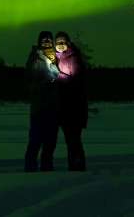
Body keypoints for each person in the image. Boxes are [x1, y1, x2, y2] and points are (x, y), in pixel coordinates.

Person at [24, 31, 59, 171]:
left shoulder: (57, 57)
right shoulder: (35, 57)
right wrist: (42, 84)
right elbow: (29, 78)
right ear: (39, 42)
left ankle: (47, 166)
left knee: (50, 141)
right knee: (35, 140)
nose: (47, 42)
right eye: (44, 40)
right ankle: (30, 166)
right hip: (39, 107)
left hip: (53, 107)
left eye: (49, 40)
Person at [53, 31, 87, 171]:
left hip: (74, 107)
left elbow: (77, 81)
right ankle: (73, 165)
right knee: (69, 139)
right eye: (58, 42)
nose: (60, 45)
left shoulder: (73, 57)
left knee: (74, 139)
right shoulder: (54, 58)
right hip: (62, 107)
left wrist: (59, 77)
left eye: (63, 42)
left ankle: (78, 165)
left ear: (68, 43)